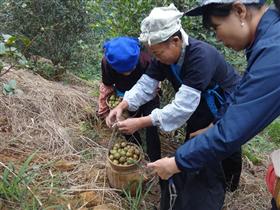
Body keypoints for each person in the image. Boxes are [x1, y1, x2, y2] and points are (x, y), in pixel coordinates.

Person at [146, 0, 280, 210]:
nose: (217, 37)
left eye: (217, 27)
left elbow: (233, 131)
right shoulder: (266, 42)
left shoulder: (274, 51)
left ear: (240, 10)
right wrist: (215, 124)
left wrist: (176, 163)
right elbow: (241, 95)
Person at [106, 4, 241, 210]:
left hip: (226, 105)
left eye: (158, 53)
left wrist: (141, 122)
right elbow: (146, 84)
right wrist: (123, 105)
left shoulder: (200, 56)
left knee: (223, 146)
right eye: (153, 53)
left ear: (175, 41)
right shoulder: (165, 57)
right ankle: (202, 189)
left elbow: (182, 107)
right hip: (199, 106)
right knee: (197, 144)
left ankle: (227, 188)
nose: (156, 58)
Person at [97, 36, 161, 161]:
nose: (127, 74)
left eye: (131, 69)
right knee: (125, 126)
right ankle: (136, 153)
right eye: (122, 71)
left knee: (151, 128)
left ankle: (154, 160)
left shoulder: (145, 59)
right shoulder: (107, 62)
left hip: (149, 96)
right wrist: (104, 110)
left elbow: (153, 83)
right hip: (123, 97)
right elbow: (107, 86)